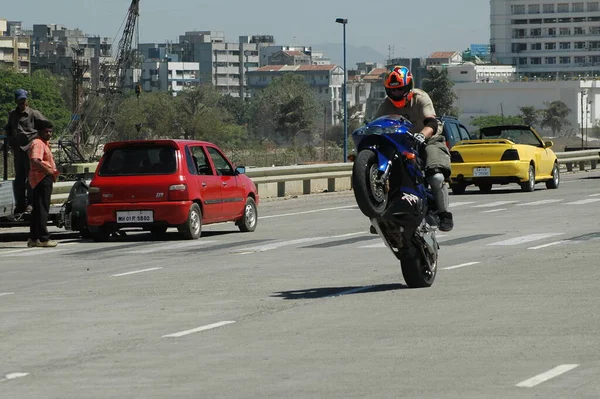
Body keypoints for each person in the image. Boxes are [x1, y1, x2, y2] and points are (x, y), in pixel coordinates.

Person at [372, 65, 454, 232]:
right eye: (392, 90)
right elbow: (375, 125)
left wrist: (422, 136)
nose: (396, 93)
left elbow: (431, 122)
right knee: (386, 174)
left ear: (408, 86)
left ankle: (445, 214)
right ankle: (382, 214)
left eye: (400, 89)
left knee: (436, 177)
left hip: (428, 139)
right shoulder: (385, 105)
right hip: (401, 144)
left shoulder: (420, 97)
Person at [3, 89, 50, 215]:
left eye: (23, 101)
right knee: (19, 178)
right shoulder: (12, 114)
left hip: (30, 148)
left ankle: (30, 203)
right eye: (19, 101)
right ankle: (20, 204)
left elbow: (47, 125)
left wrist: (41, 141)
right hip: (18, 149)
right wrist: (9, 140)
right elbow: (8, 128)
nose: (22, 104)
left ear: (26, 101)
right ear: (16, 101)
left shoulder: (34, 114)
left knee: (31, 177)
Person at [27, 119, 59, 248]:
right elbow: (35, 160)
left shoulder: (45, 143)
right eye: (47, 131)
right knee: (42, 209)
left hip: (41, 179)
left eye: (51, 131)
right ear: (40, 131)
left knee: (37, 210)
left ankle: (34, 238)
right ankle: (43, 238)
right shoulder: (38, 143)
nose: (49, 134)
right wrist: (48, 171)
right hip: (42, 178)